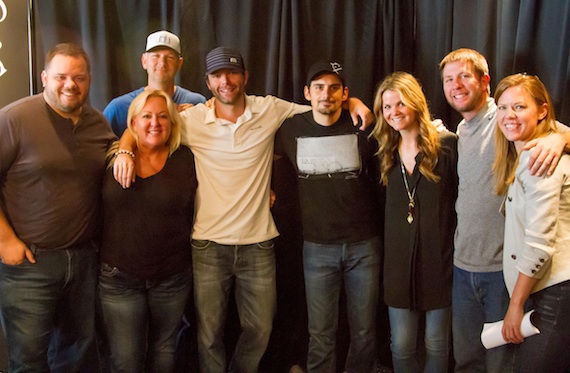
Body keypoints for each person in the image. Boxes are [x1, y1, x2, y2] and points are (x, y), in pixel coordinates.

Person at [113, 47, 373, 373]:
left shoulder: (269, 109)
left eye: (233, 73)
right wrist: (124, 148)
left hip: (258, 243)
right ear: (208, 81)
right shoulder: (191, 119)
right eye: (218, 75)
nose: (226, 81)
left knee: (260, 330)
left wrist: (354, 102)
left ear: (245, 77)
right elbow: (145, 122)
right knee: (208, 336)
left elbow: (321, 105)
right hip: (208, 244)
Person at [439, 48, 570, 372]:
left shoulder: (504, 116)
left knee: (501, 364)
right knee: (467, 359)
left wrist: (559, 139)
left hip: (504, 270)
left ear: (485, 81)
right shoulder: (462, 131)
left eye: (464, 76)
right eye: (449, 79)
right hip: (464, 265)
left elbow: (550, 128)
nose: (456, 85)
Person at [0, 43, 116, 371]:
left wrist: (126, 150)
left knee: (77, 353)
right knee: (28, 359)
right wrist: (4, 239)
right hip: (29, 265)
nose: (70, 84)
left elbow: (116, 152)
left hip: (83, 261)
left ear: (89, 80)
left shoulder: (98, 124)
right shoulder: (14, 118)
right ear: (44, 78)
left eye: (78, 77)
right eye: (61, 76)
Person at [275, 61, 382, 372]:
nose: (326, 94)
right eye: (319, 87)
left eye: (335, 88)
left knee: (364, 332)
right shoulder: (290, 128)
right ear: (307, 93)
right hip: (318, 248)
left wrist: (356, 104)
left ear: (345, 93)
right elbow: (259, 156)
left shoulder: (362, 124)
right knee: (321, 333)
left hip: (364, 246)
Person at [98, 90, 197, 371]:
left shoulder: (187, 158)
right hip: (119, 279)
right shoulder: (109, 158)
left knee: (164, 352)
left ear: (173, 123)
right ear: (133, 123)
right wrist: (125, 149)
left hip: (172, 278)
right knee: (126, 360)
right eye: (147, 116)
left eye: (163, 116)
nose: (155, 123)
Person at [373, 71, 457, 372]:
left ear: (416, 104)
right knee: (402, 346)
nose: (394, 112)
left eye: (401, 104)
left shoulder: (447, 146)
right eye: (387, 106)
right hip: (398, 267)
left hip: (439, 264)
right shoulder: (384, 153)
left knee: (437, 345)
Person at [493, 73, 570, 373]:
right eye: (502, 107)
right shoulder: (529, 152)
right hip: (545, 289)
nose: (509, 115)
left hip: (555, 290)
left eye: (519, 107)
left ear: (542, 110)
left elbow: (539, 246)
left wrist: (515, 305)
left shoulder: (541, 158)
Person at [103, 30, 206, 137]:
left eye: (170, 57)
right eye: (155, 56)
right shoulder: (119, 107)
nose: (162, 63)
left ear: (179, 64)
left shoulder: (196, 103)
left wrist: (192, 119)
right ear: (144, 61)